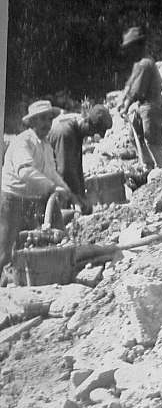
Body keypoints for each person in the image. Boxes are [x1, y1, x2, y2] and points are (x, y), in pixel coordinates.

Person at [1, 101, 80, 278]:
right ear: (32, 122)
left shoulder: (45, 145)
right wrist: (53, 188)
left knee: (55, 237)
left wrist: (68, 192)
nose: (47, 123)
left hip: (35, 197)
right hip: (12, 198)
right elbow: (26, 172)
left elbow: (51, 173)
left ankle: (58, 272)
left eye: (49, 119)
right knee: (5, 251)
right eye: (42, 119)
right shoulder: (23, 142)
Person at [119, 26, 162, 168]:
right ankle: (148, 165)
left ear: (138, 46)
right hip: (142, 106)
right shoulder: (138, 64)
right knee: (135, 137)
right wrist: (122, 101)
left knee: (152, 139)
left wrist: (126, 106)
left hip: (151, 105)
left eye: (130, 48)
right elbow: (130, 85)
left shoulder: (146, 64)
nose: (128, 52)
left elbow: (137, 91)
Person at [47, 105, 112, 213]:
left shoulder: (76, 129)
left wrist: (82, 194)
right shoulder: (66, 133)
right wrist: (77, 199)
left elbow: (75, 167)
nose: (91, 135)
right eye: (93, 131)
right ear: (88, 123)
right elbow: (65, 171)